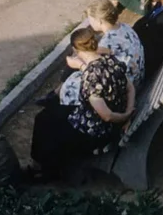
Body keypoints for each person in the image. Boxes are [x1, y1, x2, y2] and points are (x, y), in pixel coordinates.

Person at [28, 26, 134, 179]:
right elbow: (130, 88)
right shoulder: (111, 60)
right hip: (103, 115)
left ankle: (43, 170)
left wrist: (125, 116)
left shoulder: (91, 78)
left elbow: (107, 116)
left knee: (44, 123)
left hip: (95, 131)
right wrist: (128, 111)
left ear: (76, 50)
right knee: (48, 115)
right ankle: (43, 165)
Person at [59, 0, 145, 107]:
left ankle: (61, 101)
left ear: (99, 21)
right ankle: (56, 93)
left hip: (124, 88)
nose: (89, 23)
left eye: (90, 19)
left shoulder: (107, 42)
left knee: (69, 87)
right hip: (136, 78)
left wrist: (79, 65)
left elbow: (98, 73)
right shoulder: (125, 27)